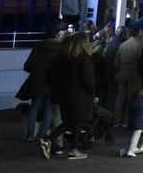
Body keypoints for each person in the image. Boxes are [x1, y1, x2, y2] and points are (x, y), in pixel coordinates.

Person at [43, 32, 96, 160]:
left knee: (69, 121)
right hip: (80, 95)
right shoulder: (84, 59)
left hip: (64, 94)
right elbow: (88, 80)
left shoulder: (63, 58)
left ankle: (48, 140)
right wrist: (92, 93)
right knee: (78, 121)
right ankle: (73, 149)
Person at [17, 26, 61, 141]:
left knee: (35, 107)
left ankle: (30, 134)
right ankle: (44, 135)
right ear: (57, 35)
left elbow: (28, 66)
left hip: (37, 81)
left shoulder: (38, 47)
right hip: (53, 82)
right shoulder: (61, 48)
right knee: (49, 109)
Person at [111, 26, 143, 128]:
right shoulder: (140, 45)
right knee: (133, 98)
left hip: (122, 74)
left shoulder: (123, 45)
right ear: (139, 32)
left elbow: (116, 61)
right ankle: (128, 121)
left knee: (120, 98)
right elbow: (141, 61)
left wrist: (119, 71)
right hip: (134, 75)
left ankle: (117, 120)